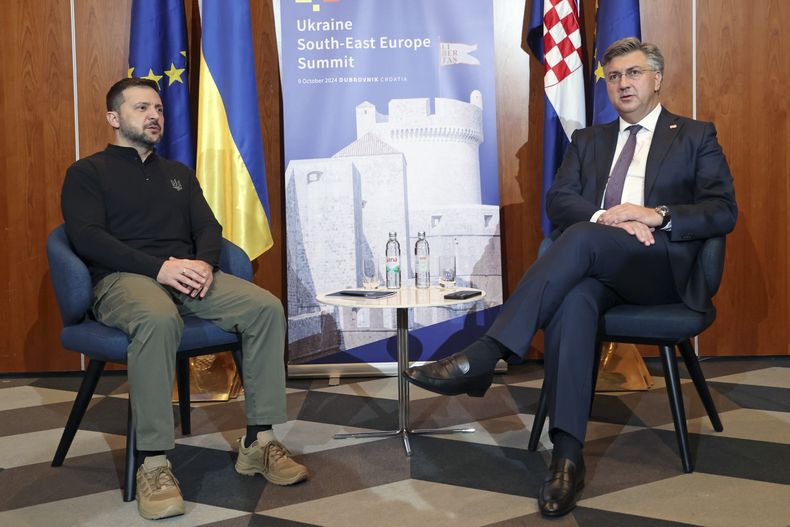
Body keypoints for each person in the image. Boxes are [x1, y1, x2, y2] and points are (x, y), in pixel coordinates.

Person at [405, 38, 737, 518]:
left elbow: (722, 210)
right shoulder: (589, 140)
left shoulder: (694, 136)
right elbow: (559, 201)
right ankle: (566, 458)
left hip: (659, 267)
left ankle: (486, 353)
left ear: (657, 79)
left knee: (578, 240)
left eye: (635, 73)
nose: (624, 83)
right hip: (598, 262)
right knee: (575, 297)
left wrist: (653, 214)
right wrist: (611, 218)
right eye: (615, 76)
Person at [61, 78, 308, 520]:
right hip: (124, 279)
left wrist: (205, 265)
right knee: (158, 320)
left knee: (265, 308)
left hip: (186, 276)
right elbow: (87, 238)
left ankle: (258, 441)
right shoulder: (87, 173)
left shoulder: (178, 173)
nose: (155, 115)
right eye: (141, 108)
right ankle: (154, 462)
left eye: (158, 108)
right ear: (114, 118)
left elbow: (207, 229)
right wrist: (160, 268)